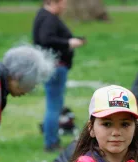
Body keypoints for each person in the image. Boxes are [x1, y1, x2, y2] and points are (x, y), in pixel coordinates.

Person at [33, 0, 86, 152]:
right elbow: (46, 39)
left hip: (53, 66)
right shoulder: (48, 18)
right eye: (62, 3)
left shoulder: (45, 16)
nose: (65, 6)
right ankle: (51, 143)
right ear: (52, 2)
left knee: (54, 105)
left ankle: (52, 139)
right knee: (54, 106)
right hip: (55, 67)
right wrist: (69, 42)